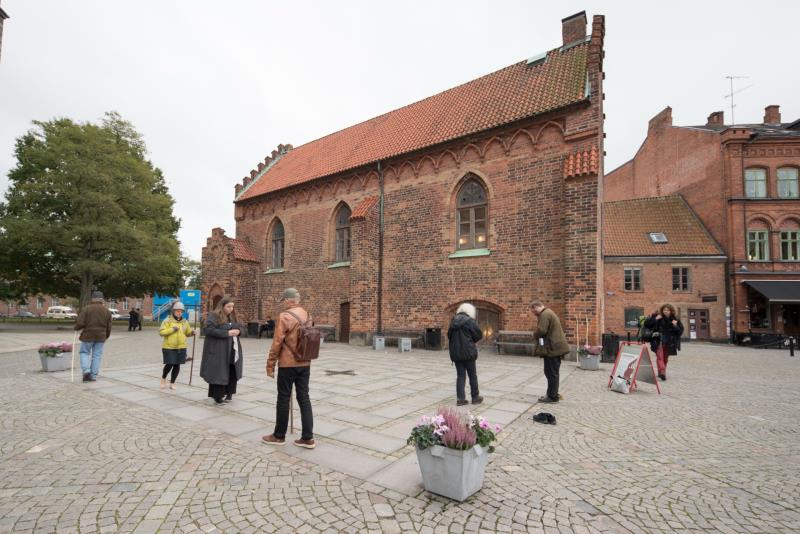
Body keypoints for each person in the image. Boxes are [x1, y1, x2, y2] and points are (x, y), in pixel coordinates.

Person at [262, 288, 315, 449]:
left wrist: (270, 364)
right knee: (304, 398)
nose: (283, 303)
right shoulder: (307, 315)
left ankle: (279, 436)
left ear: (288, 300)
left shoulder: (285, 316)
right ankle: (307, 438)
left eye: (284, 300)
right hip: (305, 362)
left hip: (287, 363)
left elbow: (277, 343)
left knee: (283, 398)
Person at [200, 297, 243, 405]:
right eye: (228, 306)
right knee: (219, 372)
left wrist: (239, 331)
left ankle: (229, 393)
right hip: (219, 350)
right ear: (222, 306)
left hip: (232, 349)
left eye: (232, 307)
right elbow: (208, 330)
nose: (231, 309)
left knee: (232, 370)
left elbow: (241, 328)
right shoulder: (213, 315)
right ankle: (217, 396)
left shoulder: (233, 316)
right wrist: (227, 333)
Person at [531, 300, 569, 403]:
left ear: (536, 307)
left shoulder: (545, 314)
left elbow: (542, 330)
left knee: (551, 373)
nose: (534, 314)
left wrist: (534, 335)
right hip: (555, 348)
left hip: (553, 349)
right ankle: (553, 394)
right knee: (552, 372)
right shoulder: (548, 312)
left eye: (533, 311)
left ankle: (552, 396)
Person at [447, 303, 484, 406]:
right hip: (469, 352)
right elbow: (478, 334)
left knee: (460, 375)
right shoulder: (469, 321)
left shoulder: (453, 321)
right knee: (472, 375)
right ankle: (475, 397)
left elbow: (449, 335)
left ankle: (460, 399)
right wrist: (471, 340)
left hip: (456, 353)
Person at [74, 291, 113, 382]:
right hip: (101, 336)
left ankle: (86, 371)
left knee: (84, 352)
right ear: (102, 300)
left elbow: (80, 322)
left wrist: (76, 328)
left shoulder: (87, 309)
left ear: (92, 299)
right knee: (97, 355)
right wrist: (106, 336)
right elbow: (109, 326)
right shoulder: (107, 311)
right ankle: (93, 375)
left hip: (88, 335)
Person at [158, 301, 195, 390]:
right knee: (170, 364)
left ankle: (172, 382)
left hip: (181, 347)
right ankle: (163, 378)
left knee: (177, 365)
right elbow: (161, 332)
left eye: (181, 311)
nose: (179, 313)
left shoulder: (185, 322)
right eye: (177, 311)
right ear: (173, 311)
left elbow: (187, 333)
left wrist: (192, 333)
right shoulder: (167, 321)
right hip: (169, 347)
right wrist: (172, 329)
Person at [644, 304, 684, 381]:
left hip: (669, 342)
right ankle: (662, 372)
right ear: (662, 310)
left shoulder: (675, 320)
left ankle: (661, 372)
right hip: (658, 340)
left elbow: (680, 332)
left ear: (671, 311)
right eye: (664, 310)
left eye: (668, 310)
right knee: (660, 357)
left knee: (665, 358)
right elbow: (647, 324)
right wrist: (655, 319)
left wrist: (675, 325)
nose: (666, 311)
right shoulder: (657, 317)